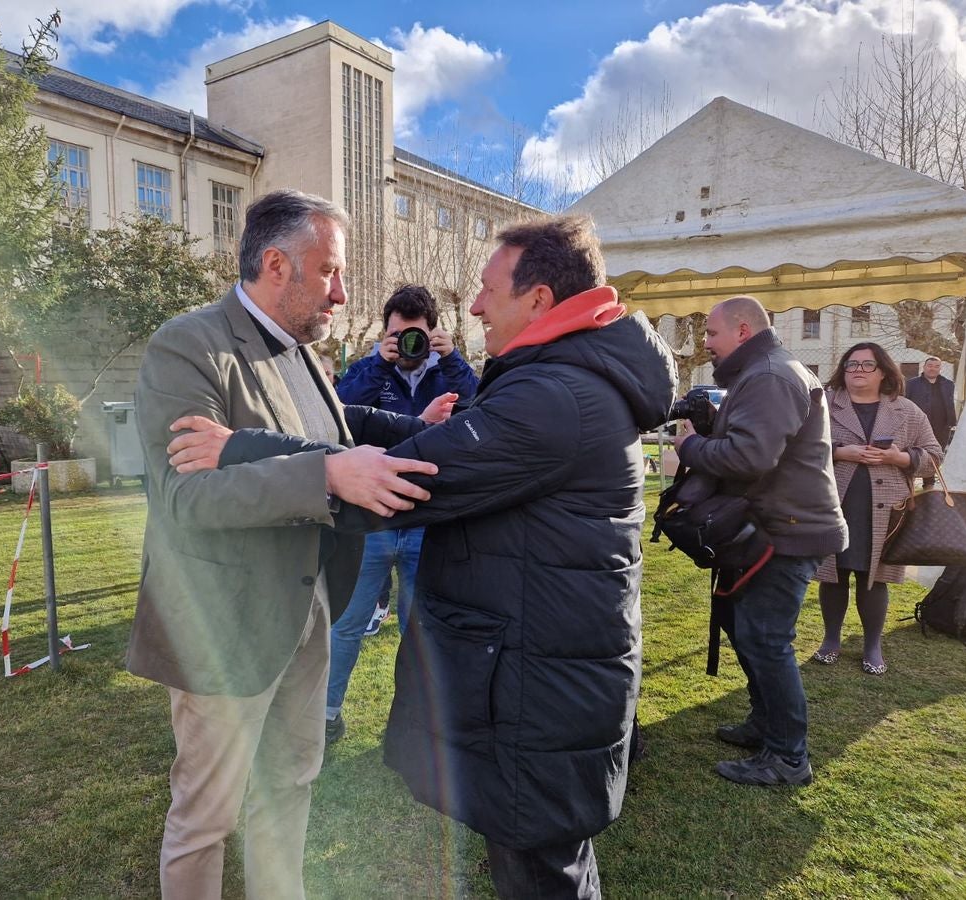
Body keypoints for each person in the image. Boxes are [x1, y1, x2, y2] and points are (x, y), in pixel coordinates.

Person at [168, 215, 678, 898]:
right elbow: (387, 430)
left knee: (541, 872)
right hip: (541, 668)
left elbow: (406, 476)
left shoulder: (556, 394)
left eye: (487, 289)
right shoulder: (567, 376)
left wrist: (243, 447)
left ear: (539, 302)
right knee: (543, 861)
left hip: (538, 682)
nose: (472, 306)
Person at [128, 189, 438, 900]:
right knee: (207, 815)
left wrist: (414, 426)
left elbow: (329, 431)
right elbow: (186, 498)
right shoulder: (190, 345)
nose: (343, 291)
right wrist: (326, 473)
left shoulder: (303, 354)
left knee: (293, 781)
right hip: (224, 625)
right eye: (329, 271)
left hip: (309, 613)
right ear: (276, 263)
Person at [674, 295, 846, 787]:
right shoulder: (766, 371)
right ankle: (766, 724)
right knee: (745, 628)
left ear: (743, 331)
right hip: (776, 524)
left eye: (711, 334)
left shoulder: (770, 375)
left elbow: (750, 457)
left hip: (788, 530)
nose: (706, 344)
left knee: (766, 639)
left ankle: (789, 758)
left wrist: (690, 446)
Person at [325, 284, 480, 742]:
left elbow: (484, 406)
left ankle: (416, 726)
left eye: (416, 335)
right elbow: (340, 413)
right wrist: (380, 362)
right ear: (385, 332)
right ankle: (327, 714)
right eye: (396, 334)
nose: (408, 344)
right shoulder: (372, 370)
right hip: (371, 520)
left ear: (432, 332)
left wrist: (451, 360)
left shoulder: (448, 372)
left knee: (422, 630)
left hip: (426, 521)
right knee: (347, 623)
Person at [812, 343, 941, 675]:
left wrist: (898, 458)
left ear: (884, 371)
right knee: (833, 574)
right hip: (833, 504)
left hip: (886, 511)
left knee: (874, 578)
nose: (857, 370)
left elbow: (934, 458)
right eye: (851, 364)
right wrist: (840, 453)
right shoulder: (823, 404)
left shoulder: (907, 411)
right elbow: (798, 444)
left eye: (867, 365)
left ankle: (872, 645)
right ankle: (831, 640)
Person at [905, 355, 956, 487]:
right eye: (930, 366)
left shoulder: (948, 384)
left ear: (940, 368)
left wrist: (952, 423)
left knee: (934, 456)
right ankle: (908, 485)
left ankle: (929, 487)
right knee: (914, 455)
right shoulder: (911, 384)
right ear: (924, 367)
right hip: (916, 427)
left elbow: (951, 404)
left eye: (936, 366)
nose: (933, 369)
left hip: (941, 427)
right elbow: (904, 403)